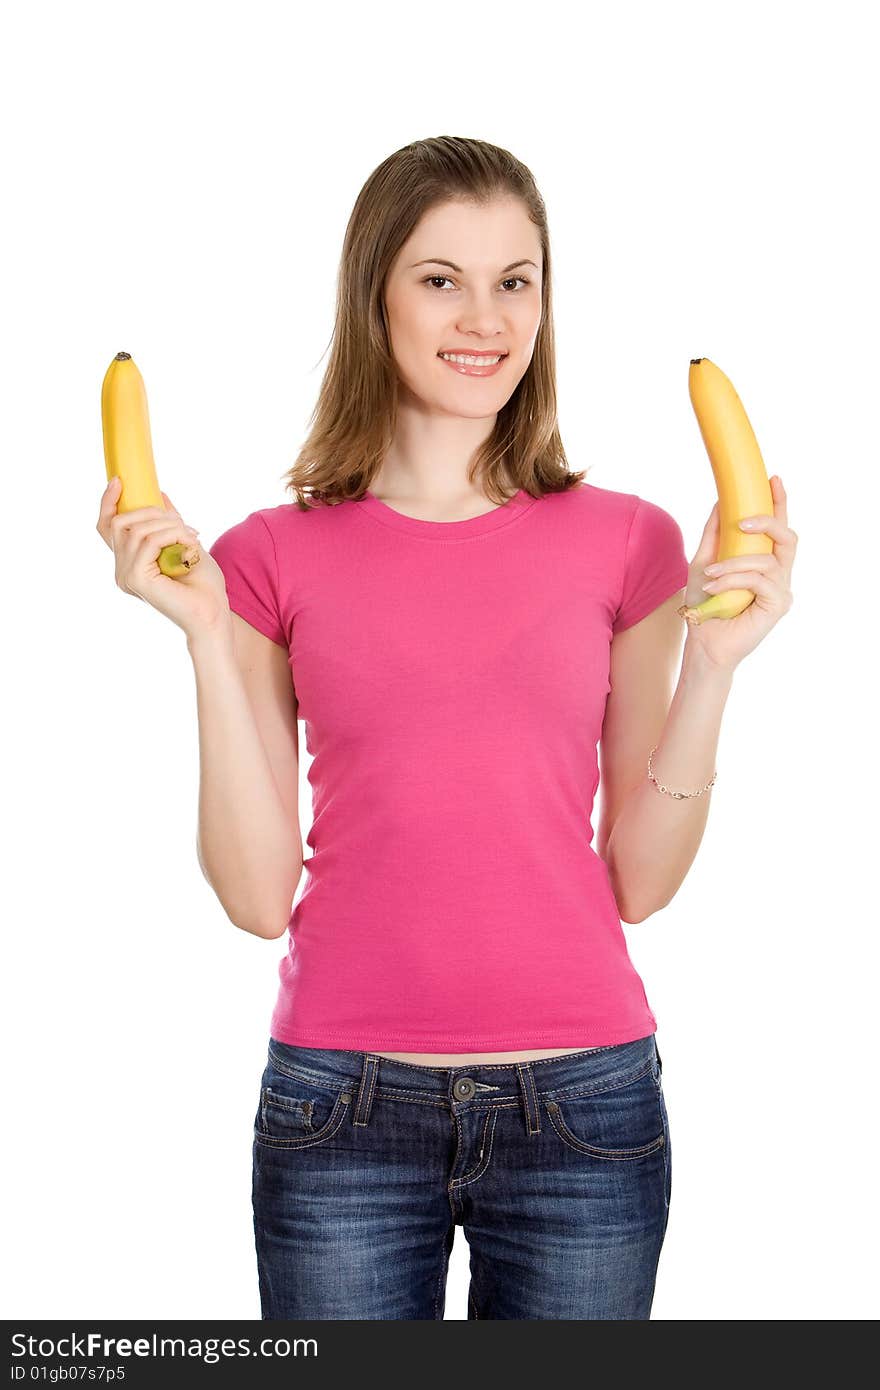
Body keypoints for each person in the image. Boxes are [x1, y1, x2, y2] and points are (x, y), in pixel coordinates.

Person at [97, 136, 796, 1320]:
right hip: (341, 1113)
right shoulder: (268, 558)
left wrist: (713, 669)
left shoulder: (627, 541)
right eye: (440, 278)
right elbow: (256, 897)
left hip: (584, 1110)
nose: (485, 318)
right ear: (373, 294)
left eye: (514, 280)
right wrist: (207, 642)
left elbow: (639, 881)